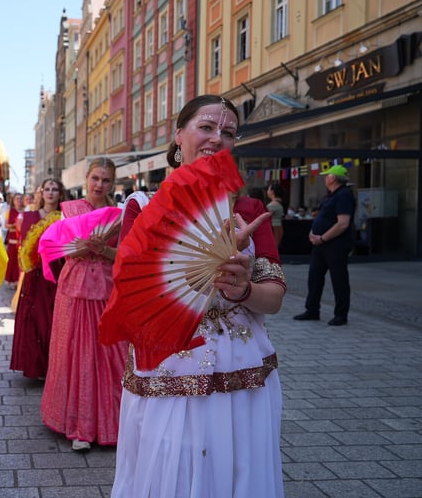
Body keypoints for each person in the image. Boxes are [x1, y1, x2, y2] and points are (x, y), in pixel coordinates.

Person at [109, 95, 286, 497]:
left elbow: (273, 299)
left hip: (243, 367)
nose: (216, 138)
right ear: (178, 137)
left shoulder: (249, 208)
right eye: (206, 127)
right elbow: (132, 296)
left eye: (227, 132)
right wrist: (197, 272)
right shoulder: (143, 207)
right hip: (171, 362)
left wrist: (242, 289)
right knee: (173, 465)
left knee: (240, 467)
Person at [40, 157, 127, 452]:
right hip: (75, 287)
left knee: (109, 354)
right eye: (95, 179)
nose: (99, 185)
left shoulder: (121, 215)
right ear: (86, 180)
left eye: (105, 180)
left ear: (112, 183)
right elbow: (60, 250)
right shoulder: (69, 210)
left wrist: (106, 249)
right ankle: (78, 425)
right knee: (74, 352)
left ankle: (113, 422)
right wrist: (81, 247)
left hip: (106, 287)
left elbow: (127, 257)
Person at [10, 178, 66, 379]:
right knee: (33, 318)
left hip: (55, 273)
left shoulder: (63, 217)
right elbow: (23, 247)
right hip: (34, 273)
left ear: (60, 193)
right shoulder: (28, 216)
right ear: (41, 193)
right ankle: (34, 366)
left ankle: (52, 365)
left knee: (51, 318)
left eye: (55, 189)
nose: (50, 192)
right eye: (47, 189)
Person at [295, 164, 356, 326]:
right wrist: (313, 233)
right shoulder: (330, 195)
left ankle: (341, 314)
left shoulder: (344, 195)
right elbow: (322, 217)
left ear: (333, 178)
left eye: (327, 175)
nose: (324, 177)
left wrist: (322, 238)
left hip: (335, 244)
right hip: (320, 244)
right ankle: (312, 310)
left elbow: (343, 223)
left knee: (339, 279)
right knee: (314, 276)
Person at [3, 193, 25, 287]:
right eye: (17, 199)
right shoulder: (10, 211)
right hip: (13, 239)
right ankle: (12, 280)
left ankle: (20, 280)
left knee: (20, 260)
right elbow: (6, 225)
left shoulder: (26, 211)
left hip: (23, 239)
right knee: (13, 260)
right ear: (14, 201)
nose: (19, 200)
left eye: (20, 198)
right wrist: (16, 225)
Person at [266, 183, 286, 247]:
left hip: (273, 228)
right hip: (277, 227)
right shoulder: (278, 203)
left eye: (268, 189)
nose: (267, 191)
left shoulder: (273, 205)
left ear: (272, 191)